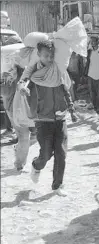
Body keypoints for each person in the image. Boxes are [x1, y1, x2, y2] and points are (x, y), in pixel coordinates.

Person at [19, 40, 78, 196]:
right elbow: (24, 85)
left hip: (60, 118)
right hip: (42, 120)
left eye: (51, 56)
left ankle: (57, 185)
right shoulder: (33, 74)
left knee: (61, 153)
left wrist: (72, 109)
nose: (50, 59)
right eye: (46, 56)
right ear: (39, 55)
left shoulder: (57, 70)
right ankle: (36, 165)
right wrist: (24, 90)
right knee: (46, 154)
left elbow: (65, 90)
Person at [84, 35, 99, 120]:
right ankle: (96, 110)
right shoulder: (89, 51)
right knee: (92, 95)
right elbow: (87, 63)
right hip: (91, 76)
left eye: (94, 41)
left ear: (98, 41)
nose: (92, 42)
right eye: (91, 41)